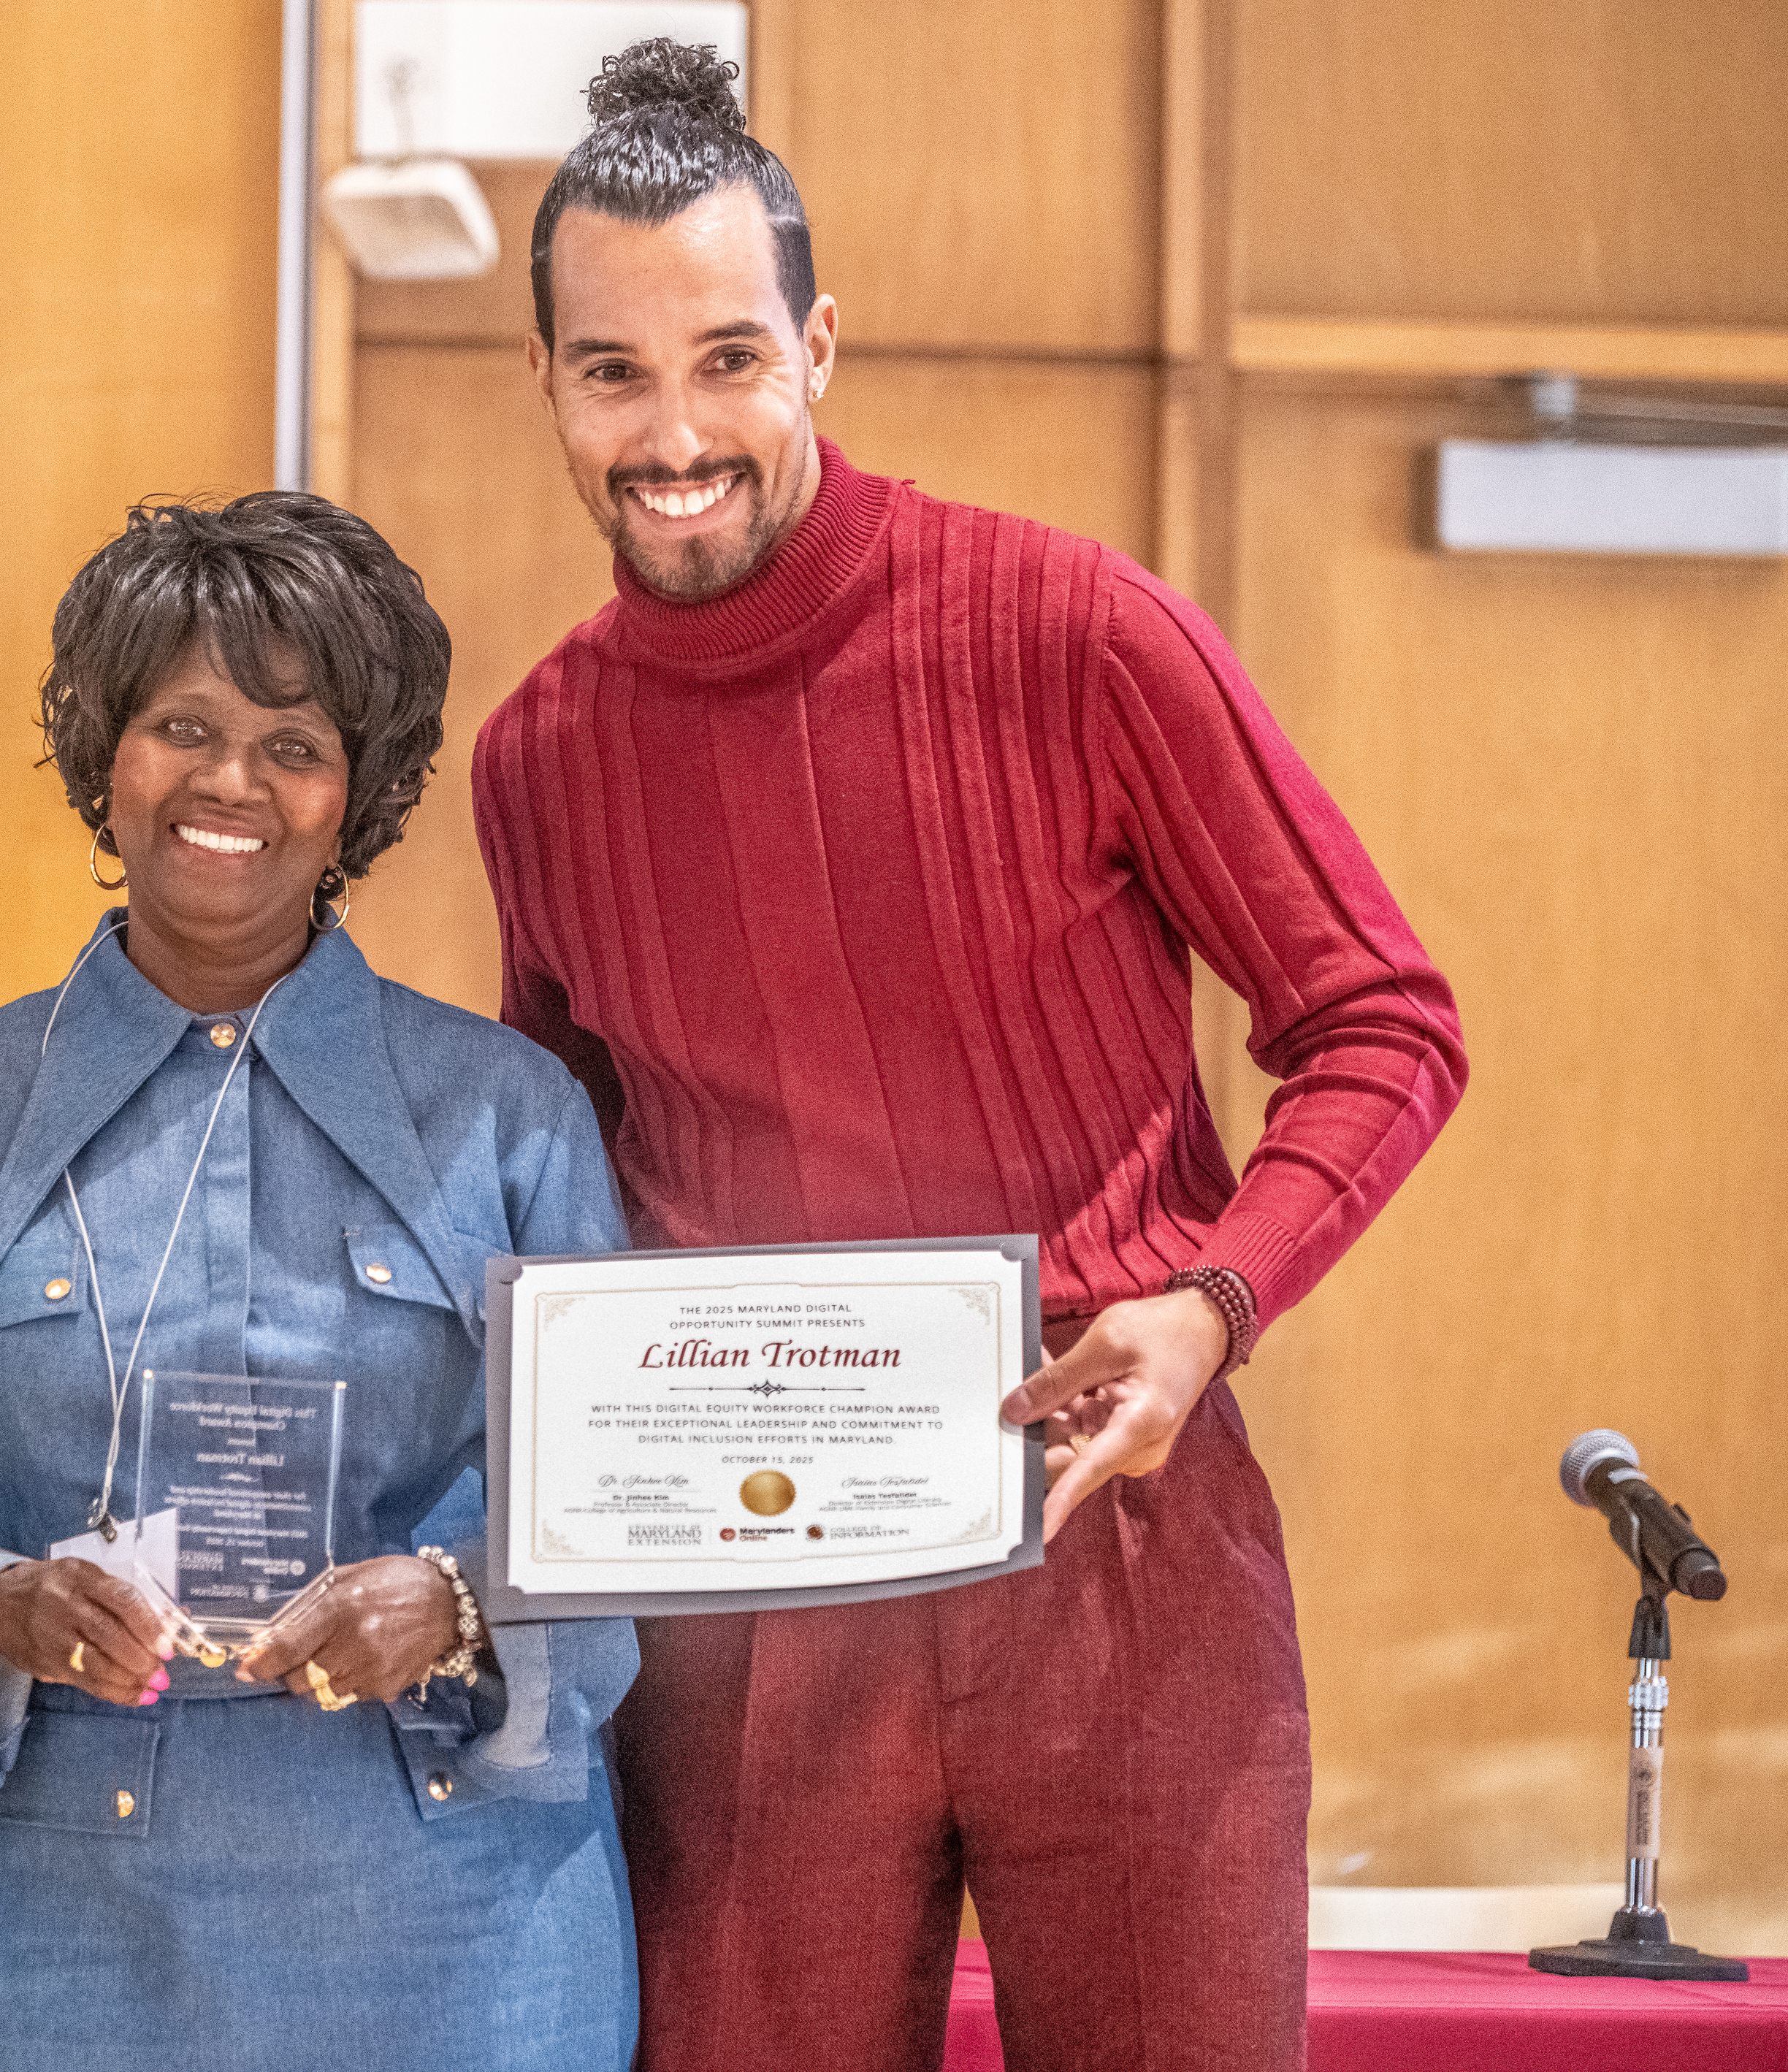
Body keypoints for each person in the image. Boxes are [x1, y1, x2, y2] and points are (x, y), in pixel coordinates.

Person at [469, 42, 1468, 2072]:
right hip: (744, 1598)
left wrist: (1212, 1302)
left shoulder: (1080, 634)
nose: (674, 431)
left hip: (1118, 1532)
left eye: (728, 358)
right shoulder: (538, 761)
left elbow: (1381, 1021)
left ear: (821, 348)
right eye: (612, 373)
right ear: (551, 385)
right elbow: (557, 1186)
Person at [0, 494, 640, 2072]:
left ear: (358, 791)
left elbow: (623, 1520)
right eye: (183, 724)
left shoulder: (510, 1121)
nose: (230, 782)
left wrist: (452, 1604)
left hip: (445, 1933)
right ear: (104, 754)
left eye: (294, 742)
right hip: (24, 1938)